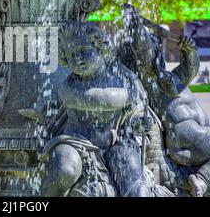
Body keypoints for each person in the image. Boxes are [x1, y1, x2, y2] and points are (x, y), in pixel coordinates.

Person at [123, 5, 210, 197]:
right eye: (154, 47)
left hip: (198, 134)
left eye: (157, 46)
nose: (157, 51)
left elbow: (191, 69)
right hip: (185, 139)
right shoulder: (150, 80)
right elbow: (142, 49)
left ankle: (202, 179)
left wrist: (188, 51)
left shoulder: (171, 78)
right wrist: (134, 22)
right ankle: (202, 179)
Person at [41, 22, 153, 197]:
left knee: (137, 188)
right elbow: (99, 99)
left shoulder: (121, 77)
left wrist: (139, 123)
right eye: (71, 55)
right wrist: (131, 93)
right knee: (65, 170)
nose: (78, 58)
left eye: (84, 51)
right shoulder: (70, 86)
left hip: (115, 145)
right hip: (76, 143)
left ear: (101, 49)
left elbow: (134, 114)